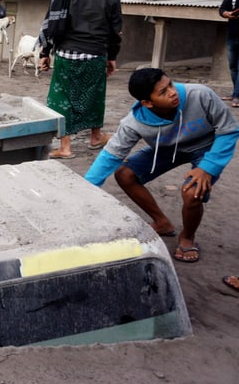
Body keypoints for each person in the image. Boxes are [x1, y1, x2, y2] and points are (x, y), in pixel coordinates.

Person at [85, 68, 239, 263]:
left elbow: (228, 130)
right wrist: (85, 189)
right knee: (124, 174)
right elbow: (111, 154)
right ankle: (162, 222)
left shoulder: (201, 94)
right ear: (147, 103)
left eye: (170, 85)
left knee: (192, 192)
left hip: (206, 149)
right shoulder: (133, 123)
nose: (172, 92)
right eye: (163, 92)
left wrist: (208, 167)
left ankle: (188, 236)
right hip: (167, 149)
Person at [38, 0, 122, 159]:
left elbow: (51, 24)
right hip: (95, 56)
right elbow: (115, 32)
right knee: (94, 97)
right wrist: (112, 57)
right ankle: (95, 137)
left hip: (66, 55)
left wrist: (45, 52)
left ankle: (66, 147)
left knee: (61, 99)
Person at [218, 0, 239, 107]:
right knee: (232, 66)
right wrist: (227, 14)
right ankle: (235, 93)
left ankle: (237, 96)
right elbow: (222, 9)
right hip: (232, 35)